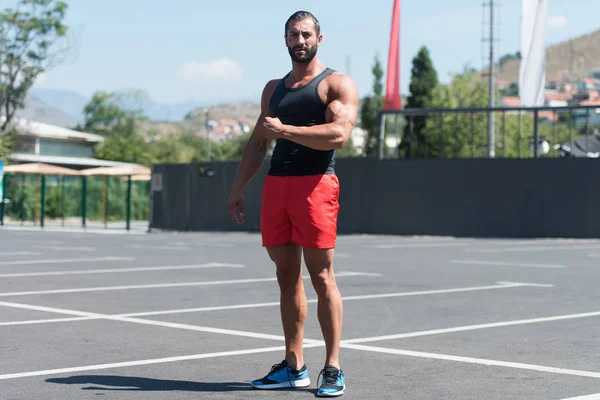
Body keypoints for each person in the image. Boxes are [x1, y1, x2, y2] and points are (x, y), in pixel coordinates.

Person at [227, 10, 359, 397]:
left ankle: (333, 367)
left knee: (321, 277)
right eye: (292, 35)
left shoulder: (336, 83)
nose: (299, 41)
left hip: (316, 185)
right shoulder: (274, 89)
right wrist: (237, 187)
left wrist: (285, 130)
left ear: (319, 38)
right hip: (278, 186)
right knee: (286, 277)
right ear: (284, 40)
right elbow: (257, 143)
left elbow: (338, 133)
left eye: (306, 34)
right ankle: (293, 365)